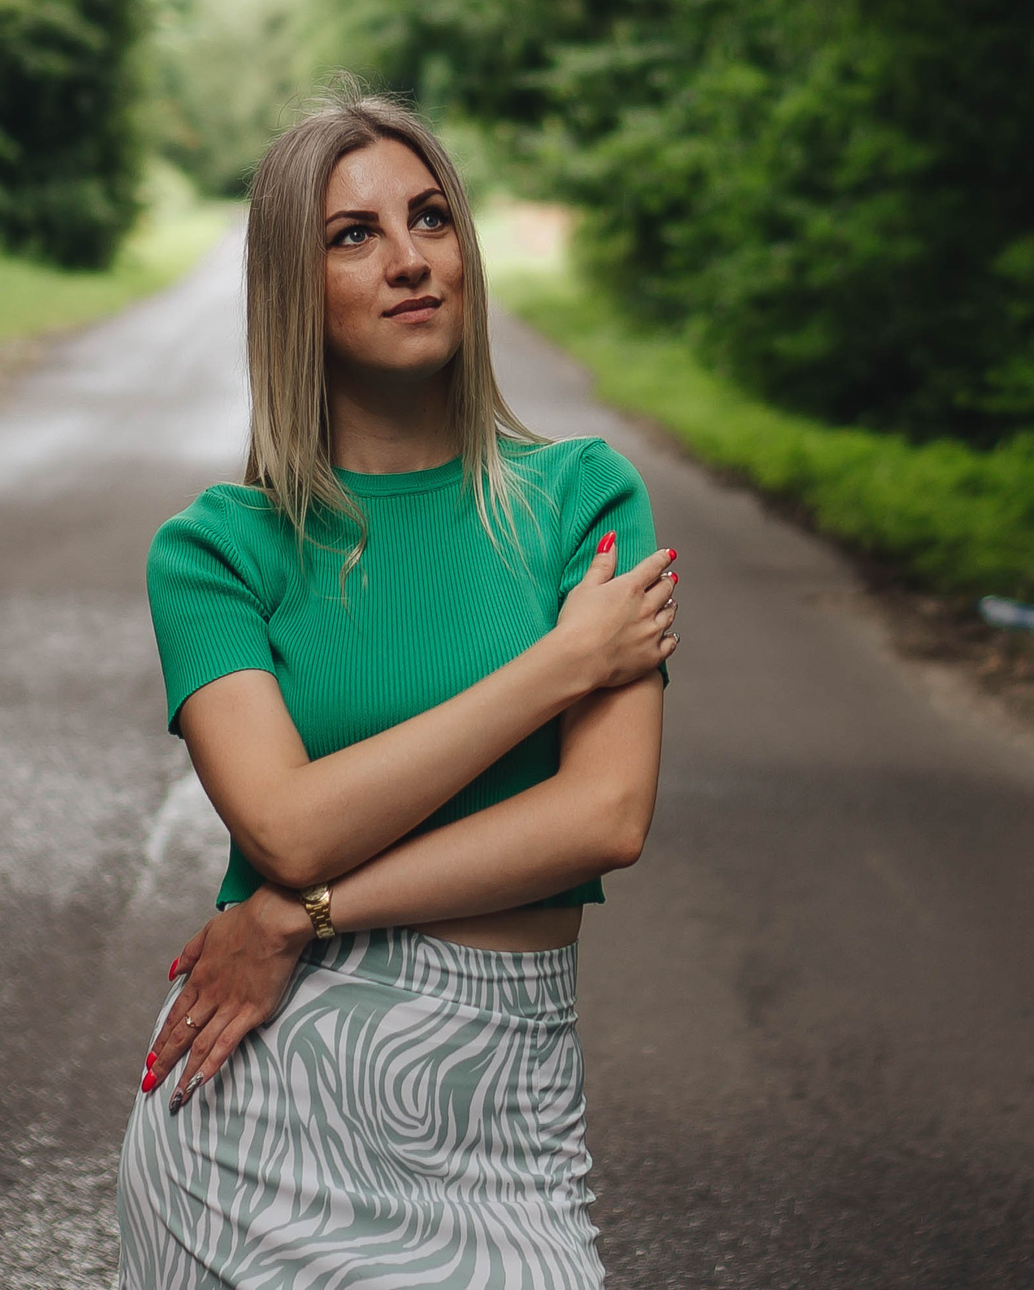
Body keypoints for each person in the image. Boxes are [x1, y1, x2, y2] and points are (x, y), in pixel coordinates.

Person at [113, 92, 677, 1288]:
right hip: (255, 1134)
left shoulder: (581, 498)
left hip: (507, 1120)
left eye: (431, 219)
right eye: (353, 234)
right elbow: (285, 825)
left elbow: (603, 820)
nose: (411, 258)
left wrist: (291, 914)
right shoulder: (219, 549)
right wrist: (561, 665)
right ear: (291, 287)